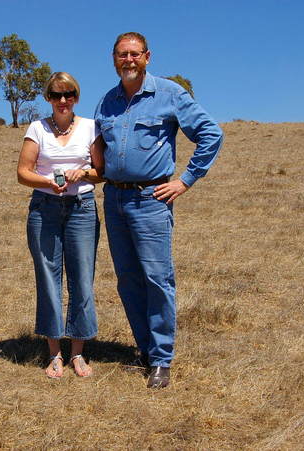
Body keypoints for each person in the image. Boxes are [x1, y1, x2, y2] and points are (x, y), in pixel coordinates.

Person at [95, 32, 223, 388]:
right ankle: (145, 349)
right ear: (114, 58)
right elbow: (97, 152)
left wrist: (185, 180)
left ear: (147, 57)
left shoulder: (169, 93)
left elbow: (211, 134)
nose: (129, 60)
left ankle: (162, 359)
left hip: (152, 200)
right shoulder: (106, 101)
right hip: (115, 200)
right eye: (123, 54)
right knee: (127, 280)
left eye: (135, 54)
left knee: (157, 279)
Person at [17, 72, 105, 379]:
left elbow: (101, 170)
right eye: (56, 95)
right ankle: (54, 354)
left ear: (77, 97)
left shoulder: (91, 128)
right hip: (45, 210)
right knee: (48, 280)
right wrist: (47, 182)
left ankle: (77, 354)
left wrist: (84, 174)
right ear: (48, 98)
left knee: (82, 280)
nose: (63, 100)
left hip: (81, 209)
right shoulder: (37, 129)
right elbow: (22, 172)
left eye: (69, 94)